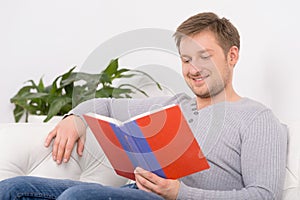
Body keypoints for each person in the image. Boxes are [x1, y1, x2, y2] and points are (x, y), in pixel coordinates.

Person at [0, 12, 287, 200]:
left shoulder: (258, 119)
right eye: (186, 59)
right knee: (13, 189)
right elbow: (108, 106)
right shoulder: (174, 105)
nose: (194, 68)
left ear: (232, 55)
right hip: (132, 192)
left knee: (76, 198)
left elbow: (264, 196)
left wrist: (180, 192)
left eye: (204, 56)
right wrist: (75, 118)